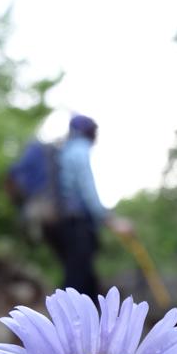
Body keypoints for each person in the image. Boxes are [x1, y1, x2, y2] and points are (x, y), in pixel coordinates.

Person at [42, 114, 132, 299]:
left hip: (62, 223)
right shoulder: (79, 150)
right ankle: (78, 324)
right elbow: (87, 188)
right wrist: (110, 219)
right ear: (89, 132)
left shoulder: (64, 150)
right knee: (79, 276)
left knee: (76, 272)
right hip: (77, 222)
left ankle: (71, 320)